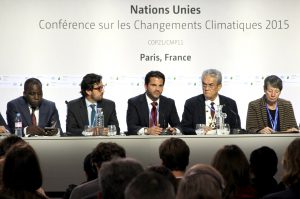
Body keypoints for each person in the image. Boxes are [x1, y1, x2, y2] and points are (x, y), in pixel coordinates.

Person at [181, 69, 241, 135]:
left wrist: (224, 131)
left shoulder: (230, 104)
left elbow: (237, 129)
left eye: (211, 85)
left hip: (224, 142)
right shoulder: (191, 103)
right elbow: (184, 128)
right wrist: (199, 131)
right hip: (200, 142)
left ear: (219, 87)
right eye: (204, 85)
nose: (206, 88)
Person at [126, 70, 181, 135]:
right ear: (146, 86)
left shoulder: (169, 103)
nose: (157, 89)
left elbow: (179, 126)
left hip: (163, 142)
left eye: (160, 85)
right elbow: (131, 127)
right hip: (141, 142)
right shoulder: (134, 102)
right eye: (154, 85)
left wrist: (175, 130)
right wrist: (147, 131)